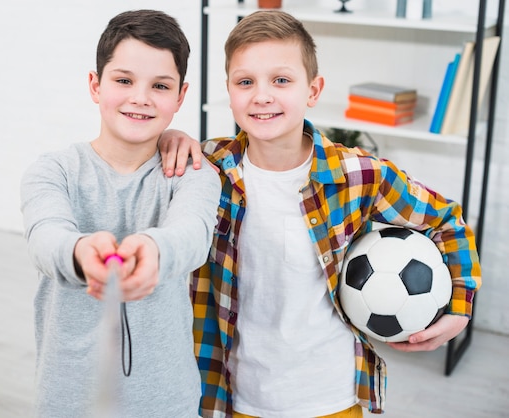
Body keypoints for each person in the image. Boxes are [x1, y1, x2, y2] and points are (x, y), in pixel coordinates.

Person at [159, 10, 481, 418]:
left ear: (313, 90)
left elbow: (445, 220)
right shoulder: (207, 167)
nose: (262, 95)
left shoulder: (359, 175)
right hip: (232, 395)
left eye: (281, 80)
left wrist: (460, 306)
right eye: (245, 82)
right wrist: (167, 135)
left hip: (331, 396)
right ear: (229, 90)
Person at [20, 9, 221, 418]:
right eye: (124, 80)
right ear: (95, 85)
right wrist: (80, 252)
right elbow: (45, 236)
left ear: (180, 97)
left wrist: (152, 248)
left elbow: (192, 234)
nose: (140, 98)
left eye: (160, 86)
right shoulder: (52, 170)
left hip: (167, 402)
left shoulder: (193, 175)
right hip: (68, 400)